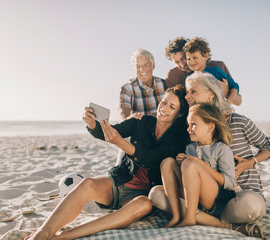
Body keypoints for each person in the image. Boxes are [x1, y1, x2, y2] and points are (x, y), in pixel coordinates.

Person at [28, 87, 189, 240]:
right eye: (164, 102)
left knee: (143, 206)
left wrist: (121, 143)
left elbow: (153, 159)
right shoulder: (142, 121)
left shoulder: (178, 138)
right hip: (121, 180)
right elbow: (111, 131)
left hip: (142, 194)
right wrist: (92, 124)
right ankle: (43, 233)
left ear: (180, 114)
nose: (164, 108)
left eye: (172, 106)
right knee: (88, 183)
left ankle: (65, 236)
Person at [150, 72, 270, 238]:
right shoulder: (191, 126)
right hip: (204, 196)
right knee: (156, 194)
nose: (187, 96)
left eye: (193, 91)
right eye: (187, 92)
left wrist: (250, 162)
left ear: (211, 93)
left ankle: (203, 218)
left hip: (240, 194)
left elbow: (269, 147)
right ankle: (215, 221)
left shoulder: (238, 121)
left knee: (251, 206)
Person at [161, 103, 235, 228]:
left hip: (215, 201)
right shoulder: (190, 148)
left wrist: (198, 163)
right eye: (188, 125)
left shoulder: (221, 149)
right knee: (167, 162)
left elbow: (229, 182)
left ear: (210, 127)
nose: (188, 129)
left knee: (190, 163)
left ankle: (190, 219)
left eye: (193, 125)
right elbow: (189, 176)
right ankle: (176, 216)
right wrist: (181, 163)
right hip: (194, 199)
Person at [164, 37, 242, 106]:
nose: (182, 64)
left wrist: (226, 92)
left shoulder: (217, 67)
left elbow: (239, 101)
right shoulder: (173, 76)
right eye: (177, 62)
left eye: (183, 58)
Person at [119, 49, 166, 121]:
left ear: (153, 66)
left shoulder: (164, 84)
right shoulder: (127, 88)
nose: (141, 69)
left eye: (146, 64)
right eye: (138, 66)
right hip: (140, 130)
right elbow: (123, 112)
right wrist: (128, 119)